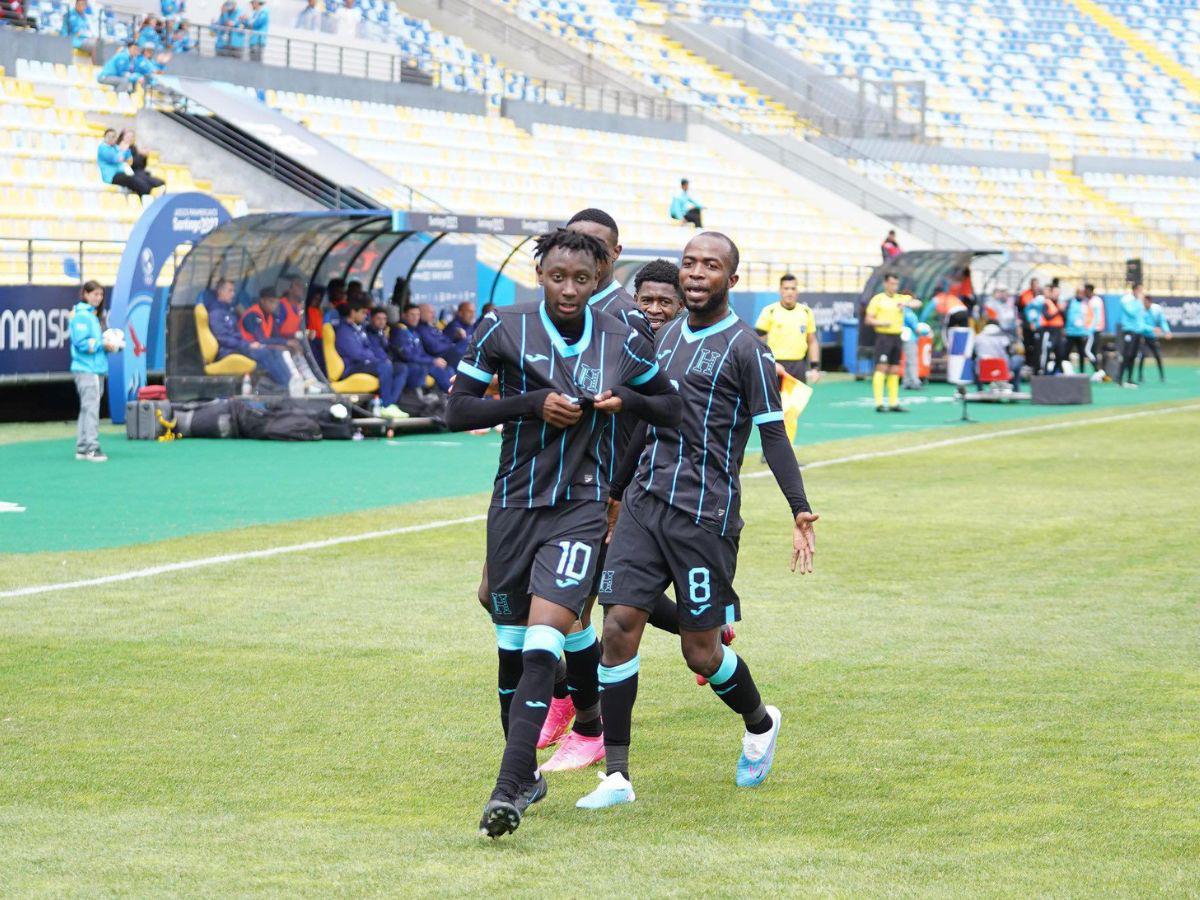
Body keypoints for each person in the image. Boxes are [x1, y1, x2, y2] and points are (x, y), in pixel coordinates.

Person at [443, 228, 681, 839]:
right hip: (513, 506)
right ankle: (527, 773)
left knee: (543, 640)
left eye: (582, 278)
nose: (569, 289)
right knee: (510, 646)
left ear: (601, 277)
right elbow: (457, 410)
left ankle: (507, 788)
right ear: (539, 272)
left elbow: (670, 407)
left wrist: (624, 399)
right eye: (557, 276)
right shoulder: (502, 325)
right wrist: (531, 403)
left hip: (579, 507)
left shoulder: (624, 334)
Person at [577, 231, 816, 812]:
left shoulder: (747, 350)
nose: (696, 273)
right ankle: (617, 775)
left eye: (711, 265)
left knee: (701, 653)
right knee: (618, 626)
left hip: (704, 519)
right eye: (689, 263)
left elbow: (772, 432)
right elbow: (641, 424)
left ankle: (760, 722)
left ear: (731, 280)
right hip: (643, 503)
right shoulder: (660, 339)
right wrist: (613, 495)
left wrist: (799, 507)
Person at [206, 279, 298, 392]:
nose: (233, 294)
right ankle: (286, 386)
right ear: (220, 292)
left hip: (239, 347)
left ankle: (290, 382)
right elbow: (222, 338)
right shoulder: (216, 312)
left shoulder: (228, 311)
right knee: (265, 353)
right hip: (229, 350)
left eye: (233, 291)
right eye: (230, 291)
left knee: (275, 352)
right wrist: (247, 345)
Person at [240, 287, 320, 391]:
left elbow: (276, 336)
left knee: (294, 347)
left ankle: (307, 379)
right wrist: (285, 342)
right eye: (271, 302)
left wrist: (289, 342)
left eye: (275, 303)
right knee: (279, 350)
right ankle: (288, 383)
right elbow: (260, 339)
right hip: (249, 347)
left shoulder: (270, 315)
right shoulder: (253, 314)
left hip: (263, 346)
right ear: (262, 301)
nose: (274, 305)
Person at [334, 301, 405, 413]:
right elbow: (356, 353)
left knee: (401, 368)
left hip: (365, 363)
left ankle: (391, 403)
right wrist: (374, 358)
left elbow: (368, 348)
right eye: (362, 313)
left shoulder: (358, 328)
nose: (365, 316)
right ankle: (386, 406)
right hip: (352, 367)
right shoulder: (344, 331)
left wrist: (374, 356)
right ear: (353, 313)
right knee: (384, 366)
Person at [70, 280, 112, 462]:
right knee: (92, 408)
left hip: (95, 368)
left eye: (101, 294)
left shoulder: (93, 316)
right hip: (88, 369)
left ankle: (82, 447)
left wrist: (110, 345)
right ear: (85, 294)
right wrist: (103, 344)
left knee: (88, 408)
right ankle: (92, 448)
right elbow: (80, 343)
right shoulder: (82, 316)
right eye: (95, 294)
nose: (98, 298)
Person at [864, 273, 918, 412]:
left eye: (896, 284)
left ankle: (894, 403)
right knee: (882, 367)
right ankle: (879, 403)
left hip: (897, 337)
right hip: (883, 336)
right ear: (885, 284)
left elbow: (917, 303)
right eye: (892, 284)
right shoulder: (878, 299)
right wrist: (881, 322)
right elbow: (868, 319)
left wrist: (906, 303)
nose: (894, 287)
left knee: (894, 369)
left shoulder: (901, 298)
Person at [755, 273, 820, 385]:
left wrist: (815, 367)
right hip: (775, 365)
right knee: (775, 402)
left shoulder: (806, 312)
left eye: (793, 288)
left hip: (799, 366)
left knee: (798, 402)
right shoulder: (770, 311)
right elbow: (757, 341)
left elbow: (812, 341)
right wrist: (766, 363)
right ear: (780, 290)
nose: (790, 292)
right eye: (786, 288)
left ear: (797, 291)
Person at [390, 305, 451, 394]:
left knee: (447, 368)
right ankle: (452, 396)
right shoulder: (399, 331)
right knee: (432, 369)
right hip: (405, 365)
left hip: (418, 363)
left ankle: (452, 395)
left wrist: (434, 360)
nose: (415, 318)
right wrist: (432, 361)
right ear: (404, 315)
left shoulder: (414, 331)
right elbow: (407, 355)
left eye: (417, 315)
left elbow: (421, 353)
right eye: (412, 315)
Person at [97, 129, 154, 197]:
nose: (111, 138)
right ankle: (146, 194)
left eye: (114, 136)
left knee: (139, 180)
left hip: (121, 174)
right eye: (109, 136)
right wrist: (123, 150)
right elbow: (117, 159)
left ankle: (147, 192)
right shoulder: (103, 148)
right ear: (105, 137)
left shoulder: (116, 147)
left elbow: (129, 159)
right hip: (111, 177)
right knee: (134, 182)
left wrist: (127, 149)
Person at [633, 259, 683, 333]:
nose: (654, 310)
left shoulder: (688, 343)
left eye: (664, 302)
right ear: (635, 300)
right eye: (646, 301)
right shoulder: (620, 339)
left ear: (681, 306)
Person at [974, 321, 1025, 392]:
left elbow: (974, 354)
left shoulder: (977, 338)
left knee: (975, 361)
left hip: (983, 371)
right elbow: (1010, 352)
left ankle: (980, 389)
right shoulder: (1002, 338)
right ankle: (1015, 389)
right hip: (1001, 369)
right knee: (1019, 359)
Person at [414, 303, 467, 368]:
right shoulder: (421, 329)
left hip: (448, 354)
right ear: (421, 313)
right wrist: (451, 344)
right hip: (441, 357)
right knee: (467, 343)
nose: (433, 315)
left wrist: (455, 338)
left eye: (433, 312)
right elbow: (435, 348)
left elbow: (444, 339)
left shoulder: (430, 327)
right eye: (430, 312)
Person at [117, 128, 165, 192]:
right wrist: (140, 155)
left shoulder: (133, 148)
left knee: (160, 183)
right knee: (146, 187)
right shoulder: (119, 148)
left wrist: (144, 157)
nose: (130, 139)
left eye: (132, 137)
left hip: (139, 172)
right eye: (128, 137)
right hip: (129, 174)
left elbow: (141, 165)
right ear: (122, 137)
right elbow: (129, 163)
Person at [1138, 293, 1171, 382]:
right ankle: (1140, 376)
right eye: (1143, 302)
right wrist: (1152, 328)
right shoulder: (1140, 310)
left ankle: (1162, 376)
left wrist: (1167, 331)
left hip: (1152, 337)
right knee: (1143, 355)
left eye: (1146, 302)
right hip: (1143, 336)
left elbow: (1162, 321)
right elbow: (1140, 325)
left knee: (1157, 356)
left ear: (1150, 302)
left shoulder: (1157, 309)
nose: (1144, 304)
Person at [1118, 283, 1145, 388]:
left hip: (1137, 332)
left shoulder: (1138, 302)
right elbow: (1131, 313)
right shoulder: (1126, 300)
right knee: (1126, 355)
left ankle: (1129, 378)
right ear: (1134, 290)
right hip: (1129, 331)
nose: (1141, 292)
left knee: (1133, 356)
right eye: (1139, 290)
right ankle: (1119, 378)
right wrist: (1138, 301)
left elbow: (1140, 317)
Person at [1063, 288, 1095, 374]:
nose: (1081, 295)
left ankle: (1082, 372)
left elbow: (1090, 316)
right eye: (1079, 293)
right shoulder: (1070, 302)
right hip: (1070, 332)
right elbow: (1064, 315)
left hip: (1081, 333)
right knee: (1066, 353)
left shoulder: (1086, 303)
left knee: (1082, 353)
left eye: (1082, 293)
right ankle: (1065, 371)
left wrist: (1087, 329)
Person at [1038, 283, 1065, 375]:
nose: (1057, 294)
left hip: (1059, 331)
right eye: (1055, 292)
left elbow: (1064, 318)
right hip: (1049, 331)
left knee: (1060, 353)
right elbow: (1047, 316)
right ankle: (1043, 371)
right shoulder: (1046, 303)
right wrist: (1058, 310)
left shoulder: (1059, 303)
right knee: (1047, 351)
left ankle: (1055, 370)